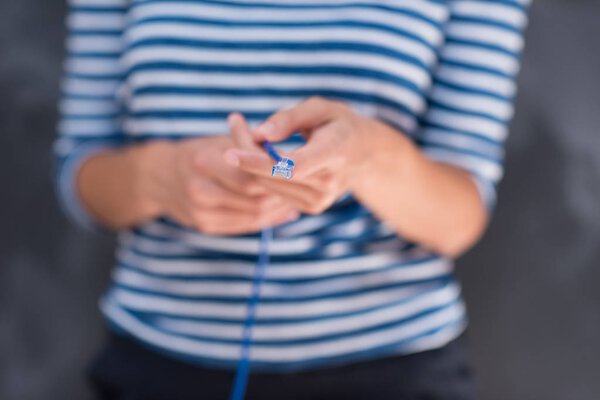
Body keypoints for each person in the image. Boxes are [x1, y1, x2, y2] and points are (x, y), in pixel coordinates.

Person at [54, 1, 530, 399]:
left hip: (392, 368)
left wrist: (367, 156)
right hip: (157, 363)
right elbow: (79, 172)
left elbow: (460, 215)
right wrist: (158, 177)